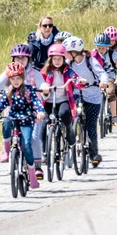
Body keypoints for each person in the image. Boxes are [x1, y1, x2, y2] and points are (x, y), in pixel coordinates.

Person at [0, 62, 46, 189]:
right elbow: (1, 105)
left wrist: (40, 111)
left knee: (27, 143)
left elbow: (36, 102)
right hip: (13, 117)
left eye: (18, 78)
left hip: (27, 119)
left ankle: (32, 173)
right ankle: (6, 149)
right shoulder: (8, 92)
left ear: (22, 77)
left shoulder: (29, 90)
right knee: (6, 122)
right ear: (9, 80)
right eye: (12, 79)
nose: (15, 81)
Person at [0, 43, 46, 164]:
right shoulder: (10, 71)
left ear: (28, 59)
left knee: (34, 138)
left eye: (23, 58)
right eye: (17, 58)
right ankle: (6, 148)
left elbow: (42, 84)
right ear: (13, 59)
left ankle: (36, 165)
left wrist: (44, 88)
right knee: (6, 123)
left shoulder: (34, 73)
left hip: (32, 110)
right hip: (13, 109)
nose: (20, 60)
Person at [39, 42, 85, 177]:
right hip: (47, 102)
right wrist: (42, 88)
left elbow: (75, 78)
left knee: (64, 113)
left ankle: (70, 131)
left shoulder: (67, 70)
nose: (57, 61)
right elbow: (38, 82)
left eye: (60, 58)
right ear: (50, 59)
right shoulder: (45, 72)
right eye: (55, 59)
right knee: (43, 122)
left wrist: (80, 81)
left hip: (63, 100)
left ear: (64, 59)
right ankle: (43, 152)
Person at [64, 35, 109, 166]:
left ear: (74, 52)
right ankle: (75, 137)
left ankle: (94, 154)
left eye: (67, 52)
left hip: (92, 97)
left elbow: (102, 73)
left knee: (91, 126)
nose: (66, 54)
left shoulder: (90, 61)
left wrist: (103, 82)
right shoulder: (68, 63)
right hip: (77, 95)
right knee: (73, 117)